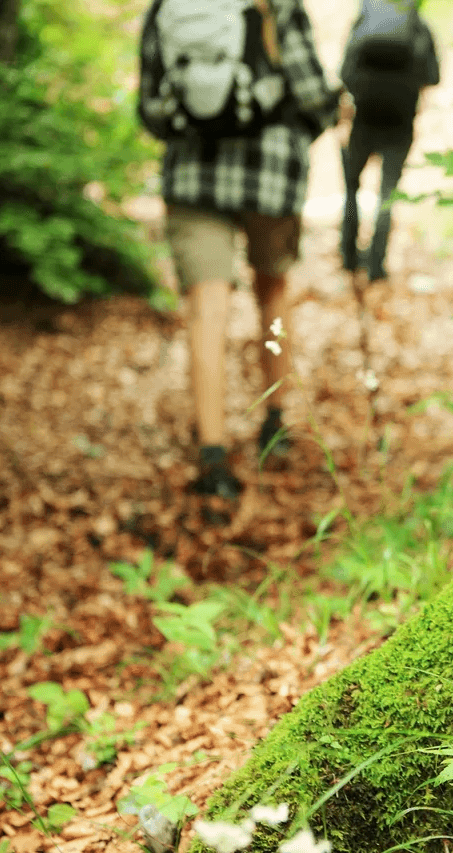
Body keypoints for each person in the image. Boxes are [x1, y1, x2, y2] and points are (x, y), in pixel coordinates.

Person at [137, 0, 340, 499]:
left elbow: (149, 107)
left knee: (207, 308)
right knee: (271, 292)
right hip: (270, 173)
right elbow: (312, 91)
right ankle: (274, 417)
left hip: (191, 173)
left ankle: (213, 454)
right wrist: (320, 118)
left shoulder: (169, 5)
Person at [339, 0, 440, 282]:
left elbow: (345, 72)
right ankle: (376, 265)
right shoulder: (418, 25)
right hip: (401, 118)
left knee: (351, 187)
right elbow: (432, 76)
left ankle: (348, 257)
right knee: (387, 194)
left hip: (365, 115)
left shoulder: (365, 19)